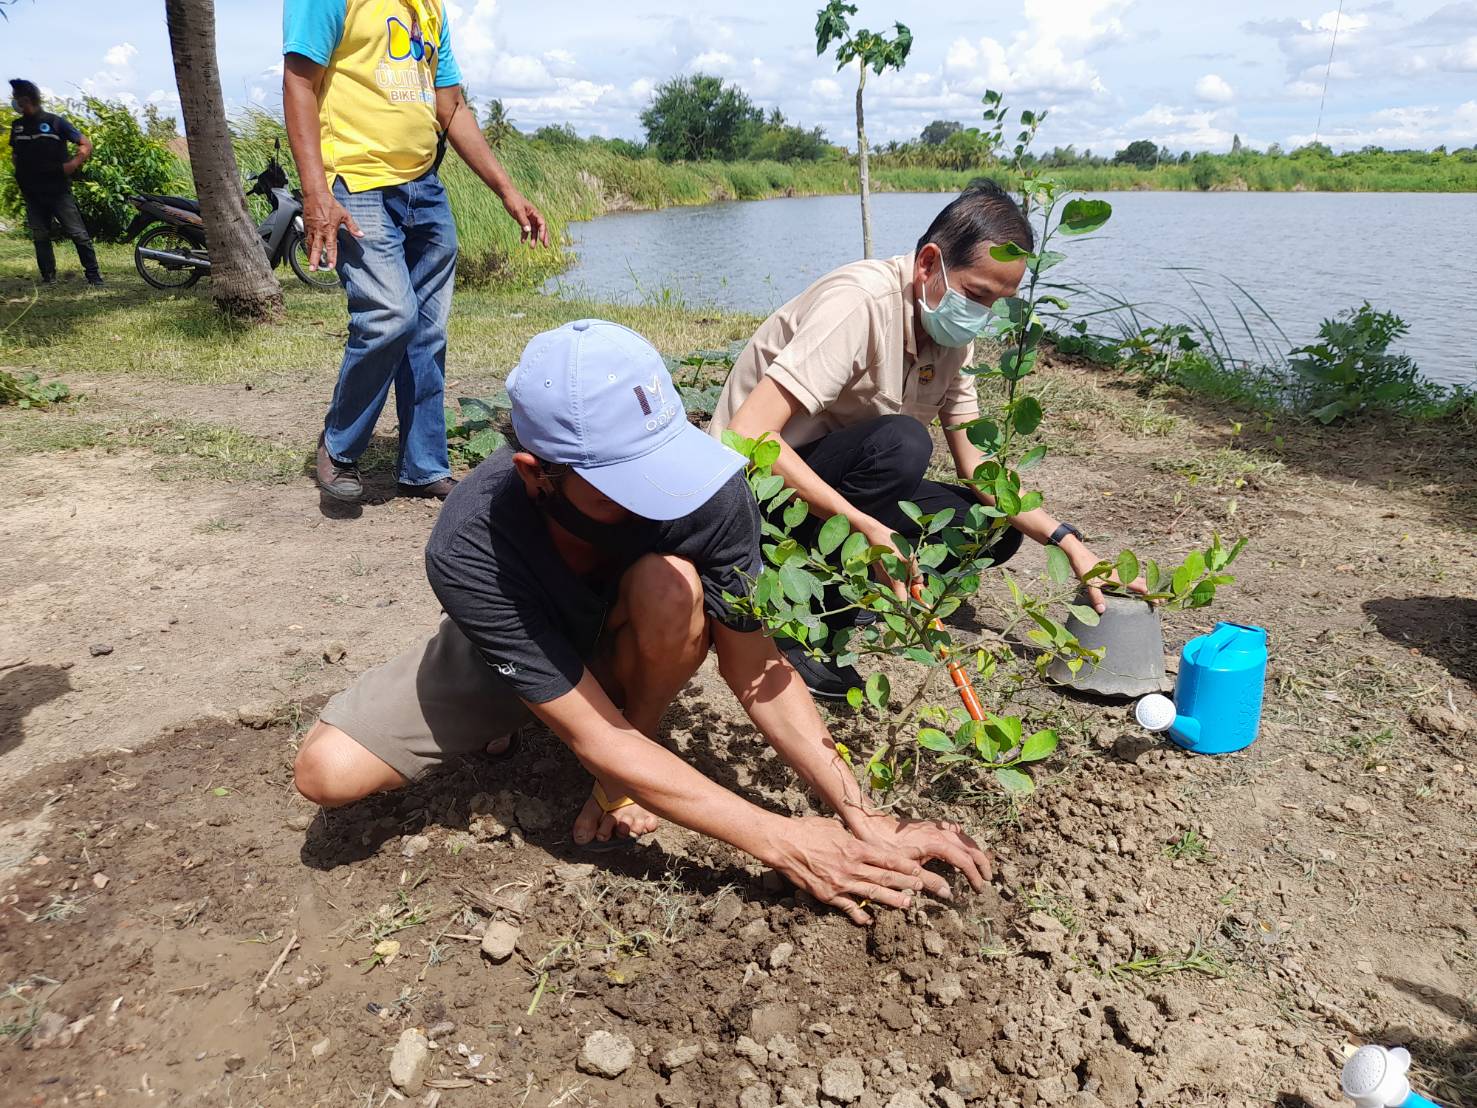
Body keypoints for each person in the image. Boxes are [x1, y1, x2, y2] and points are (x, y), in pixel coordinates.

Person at [293, 319, 993, 924]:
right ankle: (530, 709)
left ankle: (633, 746)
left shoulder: (708, 486)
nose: (661, 500)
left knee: (671, 582)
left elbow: (757, 670)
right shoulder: (469, 541)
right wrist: (786, 840)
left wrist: (857, 812)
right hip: (527, 631)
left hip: (637, 625)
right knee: (327, 772)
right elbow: (594, 734)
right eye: (625, 482)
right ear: (538, 472)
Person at [709, 180, 1140, 698]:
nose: (982, 314)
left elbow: (977, 466)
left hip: (832, 485)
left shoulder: (952, 332)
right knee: (904, 443)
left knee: (992, 530)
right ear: (928, 262)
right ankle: (803, 618)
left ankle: (857, 577)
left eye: (999, 302)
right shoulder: (859, 303)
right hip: (751, 492)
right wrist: (867, 526)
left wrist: (1071, 543)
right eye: (977, 294)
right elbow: (748, 433)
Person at [282, 0, 548, 503]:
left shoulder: (428, 6)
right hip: (355, 184)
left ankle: (423, 466)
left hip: (422, 186)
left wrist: (509, 191)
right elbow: (299, 82)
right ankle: (339, 444)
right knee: (390, 315)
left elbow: (450, 106)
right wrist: (317, 192)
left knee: (427, 331)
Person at [7, 79, 103, 287]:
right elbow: (15, 154)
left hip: (57, 190)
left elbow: (85, 144)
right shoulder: (17, 126)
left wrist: (74, 163)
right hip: (32, 192)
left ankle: (94, 276)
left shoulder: (55, 122)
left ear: (26, 99)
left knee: (78, 233)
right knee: (40, 235)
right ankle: (48, 277)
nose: (14, 102)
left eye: (16, 97)